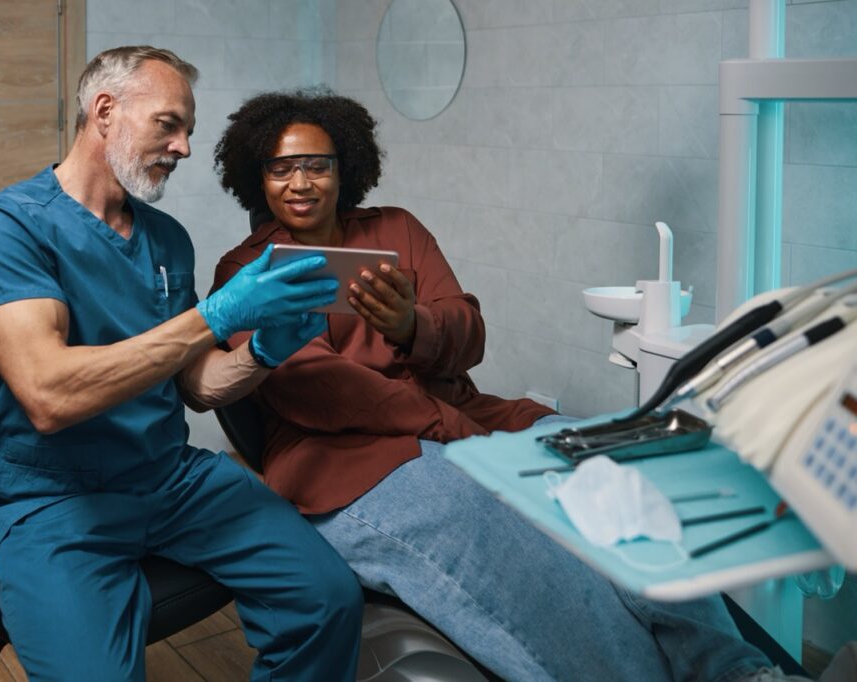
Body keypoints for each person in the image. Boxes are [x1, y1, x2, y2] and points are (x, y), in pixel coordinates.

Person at [210, 89, 857, 682]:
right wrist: (458, 435)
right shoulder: (245, 271)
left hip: (465, 418)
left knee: (607, 470)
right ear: (256, 178)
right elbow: (317, 390)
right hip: (349, 463)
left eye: (316, 165)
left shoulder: (397, 229)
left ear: (343, 167)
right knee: (497, 522)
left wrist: (415, 325)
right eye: (280, 168)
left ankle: (738, 671)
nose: (300, 182)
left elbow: (469, 330)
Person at [0, 49, 364, 681]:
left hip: (168, 477)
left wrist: (262, 349)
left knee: (327, 599)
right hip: (51, 498)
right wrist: (218, 315)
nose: (185, 147)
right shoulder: (7, 227)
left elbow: (198, 386)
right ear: (106, 111)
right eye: (169, 124)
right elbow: (48, 394)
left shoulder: (167, 239)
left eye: (189, 131)